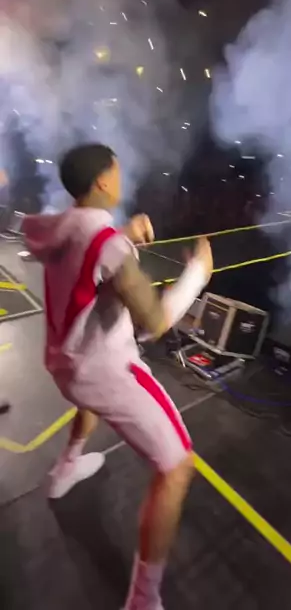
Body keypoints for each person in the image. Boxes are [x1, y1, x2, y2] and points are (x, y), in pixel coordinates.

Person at [23, 143, 212, 610]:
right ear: (103, 181)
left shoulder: (60, 224)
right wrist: (197, 275)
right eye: (118, 171)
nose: (122, 178)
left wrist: (122, 237)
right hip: (104, 371)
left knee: (87, 401)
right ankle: (143, 600)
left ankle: (65, 469)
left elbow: (85, 249)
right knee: (177, 466)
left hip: (64, 362)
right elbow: (155, 323)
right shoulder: (108, 246)